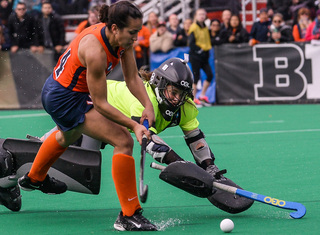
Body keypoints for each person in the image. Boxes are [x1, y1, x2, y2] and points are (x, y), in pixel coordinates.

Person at [32, 56, 254, 216]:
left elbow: (195, 139)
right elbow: (151, 144)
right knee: (75, 158)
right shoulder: (143, 98)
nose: (177, 100)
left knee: (83, 164)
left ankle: (37, 158)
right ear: (160, 85)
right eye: (173, 92)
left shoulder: (185, 107)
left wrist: (209, 167)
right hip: (92, 106)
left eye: (182, 94)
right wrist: (183, 166)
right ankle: (33, 155)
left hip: (116, 125)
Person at [16, 1, 156, 231]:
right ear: (114, 28)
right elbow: (100, 104)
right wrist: (134, 125)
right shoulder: (95, 51)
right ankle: (129, 215)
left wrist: (147, 106)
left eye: (137, 32)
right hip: (63, 97)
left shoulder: (122, 39)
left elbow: (132, 79)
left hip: (66, 91)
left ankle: (34, 178)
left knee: (68, 135)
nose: (135, 38)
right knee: (123, 140)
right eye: (132, 33)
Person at [188, 8, 213, 107]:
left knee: (210, 75)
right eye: (199, 14)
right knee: (196, 77)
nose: (202, 16)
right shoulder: (193, 27)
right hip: (196, 56)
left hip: (204, 57)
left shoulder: (205, 27)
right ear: (196, 16)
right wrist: (199, 50)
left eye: (203, 14)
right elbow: (191, 43)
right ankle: (193, 99)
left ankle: (202, 95)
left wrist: (205, 52)